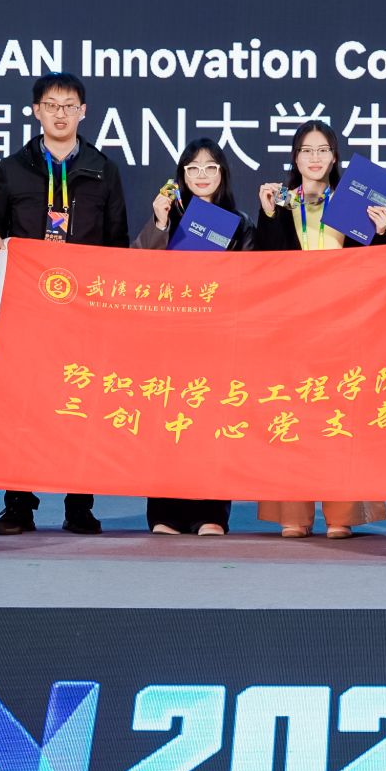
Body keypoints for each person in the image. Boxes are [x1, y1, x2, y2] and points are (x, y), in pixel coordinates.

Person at [0, 73, 129, 535]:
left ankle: (79, 505)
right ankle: (18, 505)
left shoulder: (103, 168)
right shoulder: (13, 168)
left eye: (69, 105)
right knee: (23, 403)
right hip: (29, 306)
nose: (60, 113)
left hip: (85, 310)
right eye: (51, 105)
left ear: (83, 112)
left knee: (81, 403)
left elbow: (117, 242)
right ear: (36, 111)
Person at [253, 119, 386, 537]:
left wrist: (380, 233)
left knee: (339, 415)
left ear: (335, 157)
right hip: (290, 328)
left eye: (323, 150)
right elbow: (265, 267)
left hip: (343, 325)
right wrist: (268, 216)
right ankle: (293, 514)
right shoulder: (279, 202)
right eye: (306, 150)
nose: (314, 158)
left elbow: (374, 269)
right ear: (295, 158)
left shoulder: (353, 202)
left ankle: (341, 514)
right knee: (290, 414)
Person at [137, 137, 249, 535]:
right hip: (171, 338)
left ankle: (211, 513)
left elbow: (255, 279)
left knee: (212, 425)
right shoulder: (167, 214)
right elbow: (139, 269)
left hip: (217, 338)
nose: (202, 175)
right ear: (182, 175)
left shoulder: (240, 223)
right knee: (168, 423)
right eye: (193, 168)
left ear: (222, 174)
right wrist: (160, 223)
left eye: (210, 167)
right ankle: (164, 512)